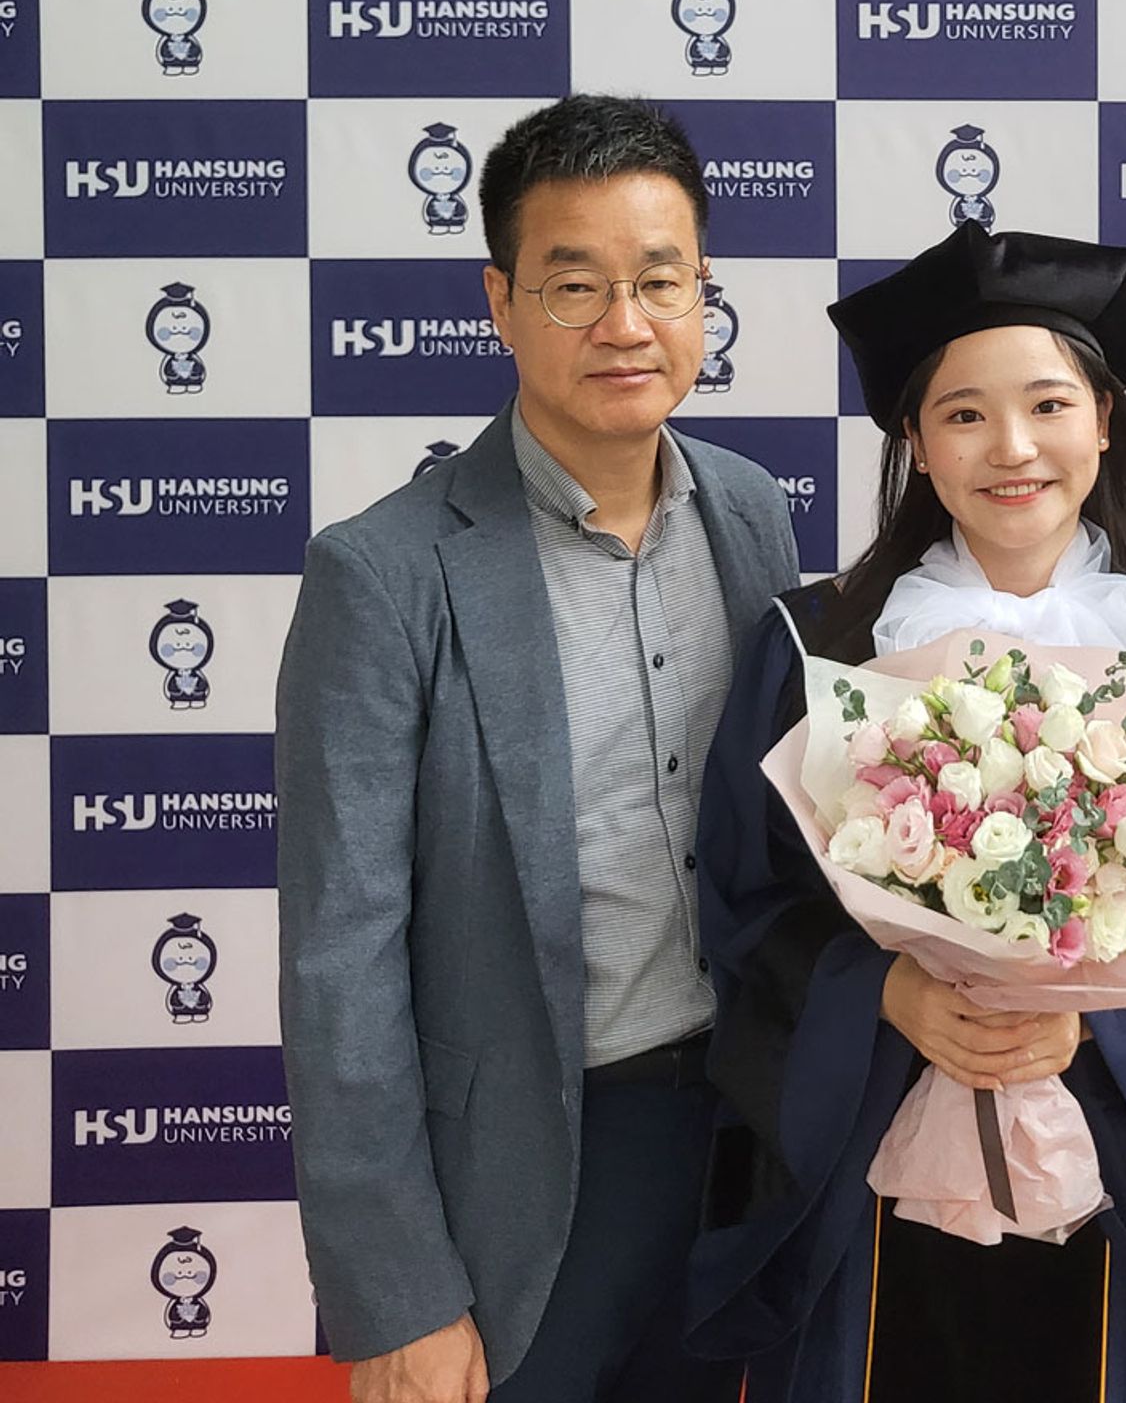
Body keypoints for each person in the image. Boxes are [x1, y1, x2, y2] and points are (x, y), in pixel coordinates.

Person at [687, 222, 1126, 1403]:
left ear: (1104, 423)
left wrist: (1098, 1028)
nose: (1012, 447)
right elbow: (741, 907)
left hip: (1125, 1199)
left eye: (1048, 405)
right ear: (917, 446)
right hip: (873, 1178)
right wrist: (888, 991)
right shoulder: (817, 648)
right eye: (965, 414)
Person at [275, 95, 798, 1403]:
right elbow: (340, 953)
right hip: (524, 1172)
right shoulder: (385, 573)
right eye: (575, 287)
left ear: (702, 295)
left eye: (660, 281)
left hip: (743, 1141)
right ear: (501, 303)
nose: (626, 324)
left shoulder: (750, 512)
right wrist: (395, 1292)